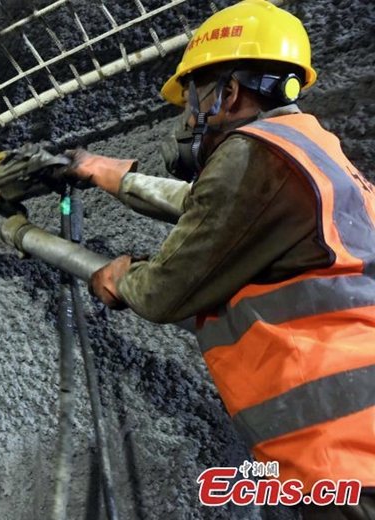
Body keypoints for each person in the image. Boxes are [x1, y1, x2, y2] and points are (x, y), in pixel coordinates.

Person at [64, 0, 375, 517]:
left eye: (191, 100)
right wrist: (115, 175)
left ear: (227, 93)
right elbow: (210, 210)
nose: (187, 119)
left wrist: (123, 277)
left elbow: (166, 292)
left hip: (342, 452)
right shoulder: (311, 151)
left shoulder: (251, 154)